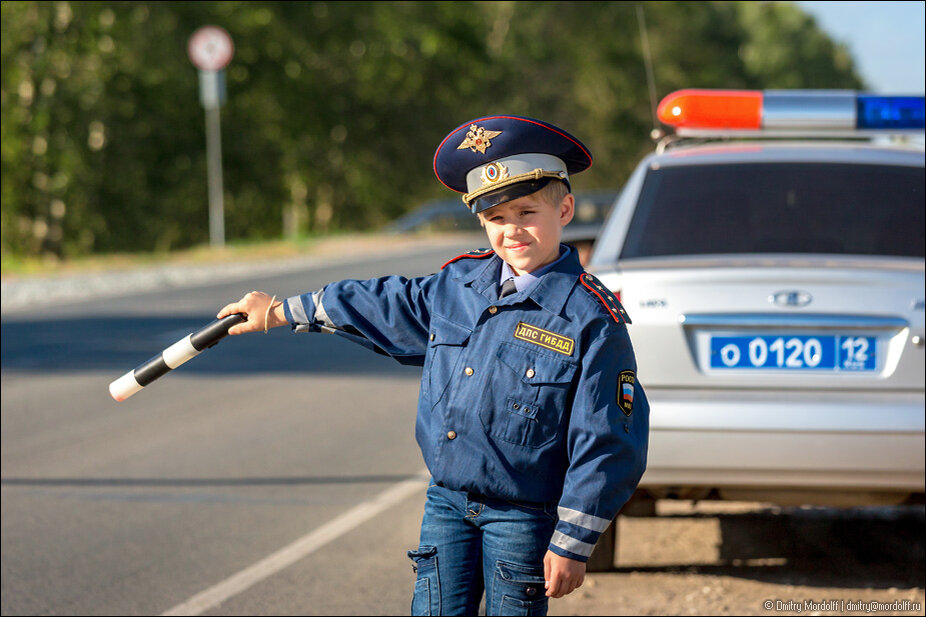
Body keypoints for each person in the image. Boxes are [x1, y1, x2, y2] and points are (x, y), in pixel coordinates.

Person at [217, 115, 649, 616]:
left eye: (528, 212)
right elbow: (380, 303)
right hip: (445, 505)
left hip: (523, 518)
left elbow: (609, 440)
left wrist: (573, 542)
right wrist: (278, 311)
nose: (512, 231)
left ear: (566, 208)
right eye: (496, 218)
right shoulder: (457, 285)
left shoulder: (591, 318)